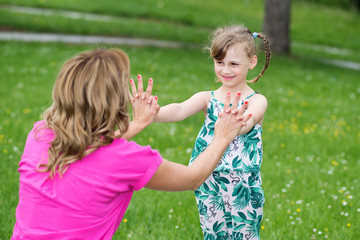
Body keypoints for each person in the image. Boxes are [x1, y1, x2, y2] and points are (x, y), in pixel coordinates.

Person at [11, 48, 251, 240]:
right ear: (112, 100)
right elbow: (193, 178)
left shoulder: (39, 134)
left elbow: (91, 150)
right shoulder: (127, 160)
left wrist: (136, 125)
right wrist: (222, 136)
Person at [154, 25, 271, 239]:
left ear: (252, 62)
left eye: (234, 64)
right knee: (213, 233)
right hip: (208, 180)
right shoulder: (207, 98)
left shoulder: (256, 101)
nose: (225, 70)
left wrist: (236, 123)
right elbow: (180, 109)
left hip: (242, 186)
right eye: (220, 63)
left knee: (244, 235)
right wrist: (154, 113)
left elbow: (248, 122)